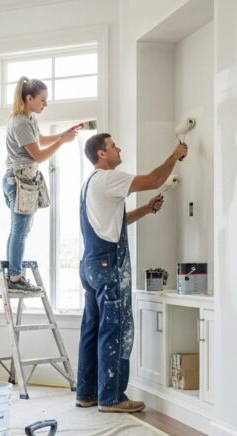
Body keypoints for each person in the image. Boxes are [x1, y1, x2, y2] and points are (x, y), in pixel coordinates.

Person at [76, 133, 188, 413]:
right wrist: (175, 155)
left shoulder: (90, 184)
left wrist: (146, 210)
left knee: (92, 329)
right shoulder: (107, 178)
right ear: (102, 154)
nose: (118, 149)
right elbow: (153, 180)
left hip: (90, 265)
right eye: (113, 146)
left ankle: (87, 393)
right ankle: (112, 397)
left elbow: (117, 221)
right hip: (107, 266)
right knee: (116, 329)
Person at [2, 76, 78, 293]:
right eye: (42, 100)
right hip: (19, 180)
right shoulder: (20, 122)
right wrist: (63, 142)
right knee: (20, 230)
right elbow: (38, 155)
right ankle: (15, 278)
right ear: (29, 98)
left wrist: (62, 135)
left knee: (20, 229)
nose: (45, 104)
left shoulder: (29, 119)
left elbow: (40, 140)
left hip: (22, 180)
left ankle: (15, 274)